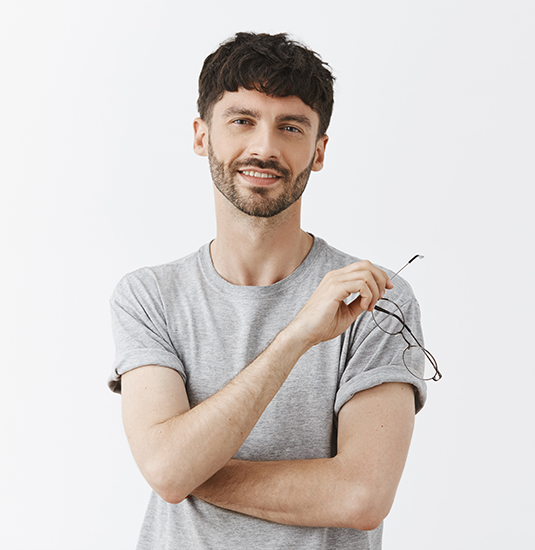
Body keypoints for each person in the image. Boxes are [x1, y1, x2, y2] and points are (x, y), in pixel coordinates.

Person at [108, 32, 428, 550]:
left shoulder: (375, 299)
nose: (264, 147)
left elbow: (361, 497)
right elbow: (166, 469)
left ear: (318, 151)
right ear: (200, 135)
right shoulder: (149, 296)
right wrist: (297, 335)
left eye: (291, 127)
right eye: (241, 120)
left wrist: (189, 468)